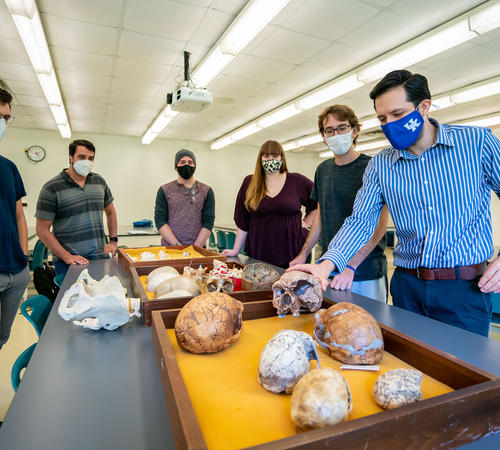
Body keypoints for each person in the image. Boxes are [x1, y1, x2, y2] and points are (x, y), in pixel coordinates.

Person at [291, 69, 500, 336]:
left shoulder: (476, 143)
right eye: (382, 118)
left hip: (464, 288)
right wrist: (326, 264)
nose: (389, 123)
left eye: (398, 114)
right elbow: (360, 222)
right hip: (407, 288)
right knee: (409, 369)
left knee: (466, 374)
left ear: (424, 107)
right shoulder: (380, 165)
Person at [290, 105, 388, 302]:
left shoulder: (373, 167)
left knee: (369, 329)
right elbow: (320, 215)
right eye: (330, 130)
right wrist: (304, 254)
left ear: (355, 130)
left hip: (365, 271)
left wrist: (351, 266)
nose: (336, 134)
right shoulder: (323, 170)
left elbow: (380, 224)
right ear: (323, 136)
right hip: (330, 269)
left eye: (342, 128)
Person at [223, 140, 317, 268]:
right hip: (259, 252)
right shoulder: (249, 183)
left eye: (275, 156)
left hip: (293, 252)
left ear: (282, 158)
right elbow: (242, 220)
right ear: (260, 159)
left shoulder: (297, 180)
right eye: (266, 156)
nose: (270, 160)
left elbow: (319, 201)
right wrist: (236, 250)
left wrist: (307, 221)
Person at [36, 139, 118, 276]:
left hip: (99, 257)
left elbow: (110, 212)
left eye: (91, 158)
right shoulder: (52, 188)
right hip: (69, 263)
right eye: (81, 157)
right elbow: (42, 230)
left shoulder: (99, 181)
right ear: (70, 158)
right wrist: (67, 256)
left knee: (102, 295)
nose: (87, 161)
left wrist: (113, 241)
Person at [0, 88, 30, 349]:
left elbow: (20, 216)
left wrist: (24, 259)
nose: (2, 122)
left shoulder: (9, 167)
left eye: (5, 117)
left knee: (2, 338)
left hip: (15, 273)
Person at [154, 149, 215, 247]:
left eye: (190, 162)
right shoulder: (164, 190)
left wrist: (194, 249)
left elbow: (208, 222)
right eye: (182, 162)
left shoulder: (206, 191)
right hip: (170, 249)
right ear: (176, 166)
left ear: (195, 165)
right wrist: (177, 246)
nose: (187, 165)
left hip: (198, 251)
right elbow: (160, 221)